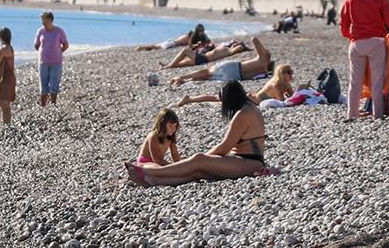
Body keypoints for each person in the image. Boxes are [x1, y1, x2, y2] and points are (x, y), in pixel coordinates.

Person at [125, 80, 267, 187]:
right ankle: (153, 181)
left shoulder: (243, 114)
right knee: (197, 172)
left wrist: (203, 158)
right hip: (245, 160)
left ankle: (148, 172)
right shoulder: (250, 107)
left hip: (249, 162)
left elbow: (225, 146)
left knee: (199, 159)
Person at [340, 0, 389, 120]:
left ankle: (352, 114)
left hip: (356, 44)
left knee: (355, 81)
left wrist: (348, 35)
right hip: (376, 43)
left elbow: (343, 23)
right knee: (377, 81)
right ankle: (377, 114)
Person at [175, 64, 295, 106]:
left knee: (218, 99)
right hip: (247, 100)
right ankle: (189, 99)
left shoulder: (286, 85)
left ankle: (190, 99)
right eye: (289, 72)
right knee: (217, 98)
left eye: (291, 72)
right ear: (282, 75)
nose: (291, 75)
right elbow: (284, 102)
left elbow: (292, 97)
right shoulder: (275, 86)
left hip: (251, 99)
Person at [169, 37, 273, 85]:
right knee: (208, 78)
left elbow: (254, 39)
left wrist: (263, 50)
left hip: (233, 68)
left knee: (207, 72)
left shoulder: (261, 59)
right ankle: (185, 82)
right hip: (235, 77)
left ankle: (181, 77)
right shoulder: (263, 71)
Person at [34, 11, 69, 107]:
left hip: (56, 62)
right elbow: (36, 45)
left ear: (50, 20)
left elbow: (66, 45)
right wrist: (43, 52)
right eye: (42, 20)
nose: (43, 22)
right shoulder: (40, 31)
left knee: (54, 83)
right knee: (43, 84)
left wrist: (58, 52)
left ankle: (53, 104)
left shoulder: (59, 31)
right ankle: (43, 105)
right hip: (43, 62)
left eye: (44, 20)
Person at [159, 40, 249, 69]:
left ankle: (169, 65)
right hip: (202, 59)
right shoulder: (226, 48)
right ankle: (167, 65)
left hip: (203, 58)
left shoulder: (229, 51)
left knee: (184, 51)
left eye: (236, 44)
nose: (234, 43)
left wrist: (241, 45)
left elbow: (241, 47)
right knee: (183, 62)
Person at [0, 27, 16, 125]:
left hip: (5, 78)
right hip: (10, 77)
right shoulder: (10, 47)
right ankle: (7, 124)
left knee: (3, 104)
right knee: (6, 104)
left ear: (1, 37)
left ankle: (6, 124)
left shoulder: (3, 48)